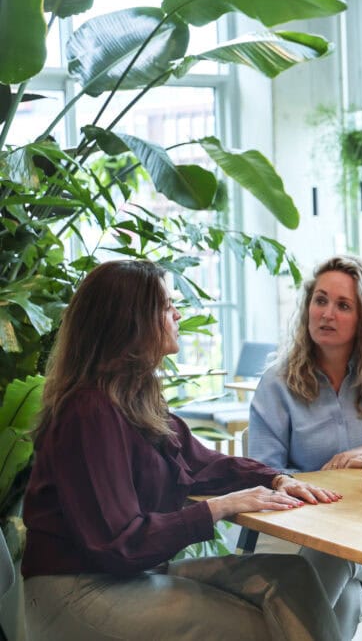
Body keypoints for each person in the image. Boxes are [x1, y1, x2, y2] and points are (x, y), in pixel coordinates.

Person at [21, 259, 344, 641]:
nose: (176, 313)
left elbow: (201, 463)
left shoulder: (134, 398)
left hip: (128, 575)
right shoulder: (88, 411)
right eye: (165, 306)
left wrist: (275, 478)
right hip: (78, 588)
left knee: (295, 576)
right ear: (131, 321)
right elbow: (119, 543)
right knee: (260, 628)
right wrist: (219, 507)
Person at [248, 254, 362, 639]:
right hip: (295, 527)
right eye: (320, 300)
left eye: (343, 305)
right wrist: (307, 492)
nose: (327, 313)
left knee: (332, 553)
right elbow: (263, 470)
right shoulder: (278, 382)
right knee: (345, 598)